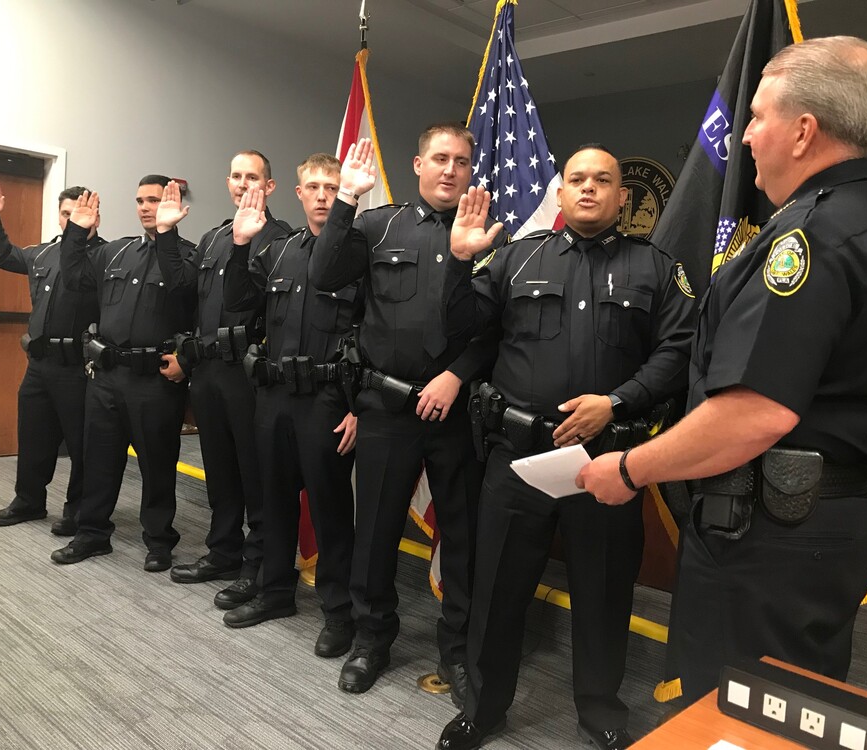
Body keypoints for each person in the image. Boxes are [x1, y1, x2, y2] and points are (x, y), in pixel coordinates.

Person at [578, 36, 867, 704]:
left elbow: (754, 412)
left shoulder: (810, 240)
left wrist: (628, 470)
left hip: (771, 537)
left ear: (803, 131)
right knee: (790, 707)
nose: (743, 137)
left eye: (757, 117)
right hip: (816, 529)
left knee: (735, 712)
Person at [435, 145, 696, 750]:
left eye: (602, 180)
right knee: (497, 589)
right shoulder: (515, 261)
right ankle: (484, 708)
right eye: (575, 179)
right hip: (518, 457)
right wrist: (458, 263)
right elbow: (460, 330)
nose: (587, 188)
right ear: (558, 193)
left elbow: (678, 352)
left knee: (604, 593)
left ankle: (600, 710)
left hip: (606, 462)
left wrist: (619, 401)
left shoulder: (655, 268)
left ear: (621, 198)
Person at [310, 128, 509, 696]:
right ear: (418, 163)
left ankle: (457, 649)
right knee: (373, 532)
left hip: (456, 410)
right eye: (441, 159)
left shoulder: (495, 235)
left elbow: (497, 327)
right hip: (388, 409)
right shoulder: (377, 226)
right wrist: (348, 197)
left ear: (472, 170)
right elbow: (324, 275)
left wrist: (455, 375)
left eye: (463, 161)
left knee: (462, 535)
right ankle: (373, 639)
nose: (451, 169)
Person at [221, 153, 359, 657]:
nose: (322, 195)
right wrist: (241, 245)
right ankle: (276, 592)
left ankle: (339, 613)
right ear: (298, 194)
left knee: (330, 510)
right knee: (273, 502)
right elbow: (239, 302)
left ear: (345, 193)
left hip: (327, 399)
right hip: (274, 395)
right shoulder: (277, 252)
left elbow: (374, 336)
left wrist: (358, 406)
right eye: (314, 187)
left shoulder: (358, 254)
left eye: (332, 186)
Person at [50, 176, 197, 572]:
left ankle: (160, 540)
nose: (146, 207)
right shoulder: (115, 252)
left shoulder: (187, 256)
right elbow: (74, 277)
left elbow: (184, 293)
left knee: (157, 464)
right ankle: (92, 534)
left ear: (174, 202)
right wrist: (77, 232)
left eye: (154, 200)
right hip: (107, 375)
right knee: (99, 459)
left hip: (154, 379)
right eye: (140, 200)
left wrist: (167, 234)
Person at [166, 151, 291, 611]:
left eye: (253, 176)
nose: (243, 184)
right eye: (237, 176)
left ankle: (258, 566)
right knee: (218, 470)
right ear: (228, 182)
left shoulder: (282, 240)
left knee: (254, 475)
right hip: (208, 371)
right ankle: (223, 553)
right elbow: (188, 299)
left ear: (270, 186)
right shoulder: (213, 237)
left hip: (249, 375)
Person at [0, 183, 106, 536]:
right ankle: (29, 500)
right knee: (33, 435)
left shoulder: (104, 257)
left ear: (96, 216)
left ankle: (78, 511)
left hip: (76, 367)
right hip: (38, 365)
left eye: (79, 214)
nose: (72, 220)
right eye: (66, 214)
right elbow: (5, 255)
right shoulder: (43, 253)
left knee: (82, 445)